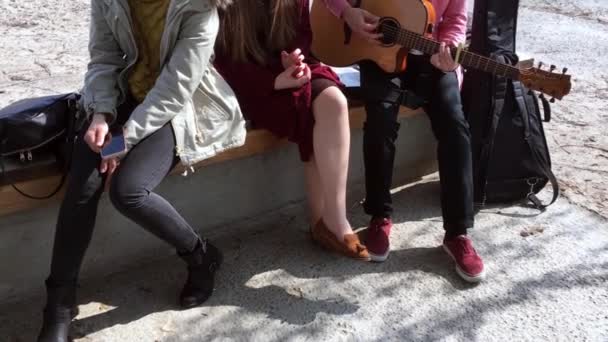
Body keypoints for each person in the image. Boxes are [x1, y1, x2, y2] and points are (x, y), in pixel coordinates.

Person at [37, 0, 245, 341]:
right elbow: (103, 58)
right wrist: (101, 114)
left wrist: (124, 140)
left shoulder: (200, 8)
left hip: (176, 108)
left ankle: (201, 256)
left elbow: (175, 90)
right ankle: (59, 305)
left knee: (128, 190)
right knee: (84, 180)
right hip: (123, 97)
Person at [323, 0, 486, 282]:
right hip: (379, 54)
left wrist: (449, 47)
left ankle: (457, 233)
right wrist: (347, 12)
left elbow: (456, 19)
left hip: (432, 61)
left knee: (455, 126)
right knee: (380, 122)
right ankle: (379, 217)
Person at [214, 0, 370, 261]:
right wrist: (274, 80)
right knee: (306, 111)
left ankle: (334, 216)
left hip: (289, 73)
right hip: (251, 85)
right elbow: (223, 61)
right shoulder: (225, 4)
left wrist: (293, 61)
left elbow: (301, 37)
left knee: (334, 101)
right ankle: (323, 225)